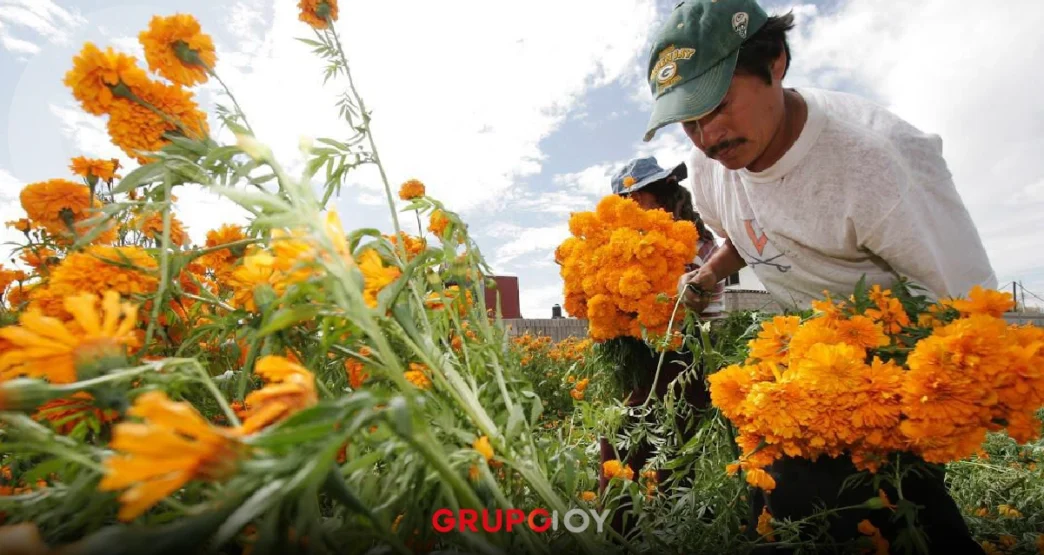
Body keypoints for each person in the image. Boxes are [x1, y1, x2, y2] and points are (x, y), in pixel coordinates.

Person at [642, 0, 995, 552]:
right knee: (775, 505)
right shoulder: (715, 166)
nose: (707, 136)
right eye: (688, 120)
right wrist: (709, 273)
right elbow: (744, 234)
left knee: (885, 517)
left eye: (718, 104)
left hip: (891, 369)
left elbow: (967, 308)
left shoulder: (877, 164)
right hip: (802, 361)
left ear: (775, 62)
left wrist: (888, 389)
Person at [596, 156, 724, 535]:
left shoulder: (699, 245)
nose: (629, 209)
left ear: (663, 195)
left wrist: (671, 289)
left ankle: (671, 532)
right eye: (624, 202)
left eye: (637, 199)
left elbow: (703, 304)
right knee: (621, 446)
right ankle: (620, 532)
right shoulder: (625, 242)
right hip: (641, 356)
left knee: (675, 454)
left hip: (685, 357)